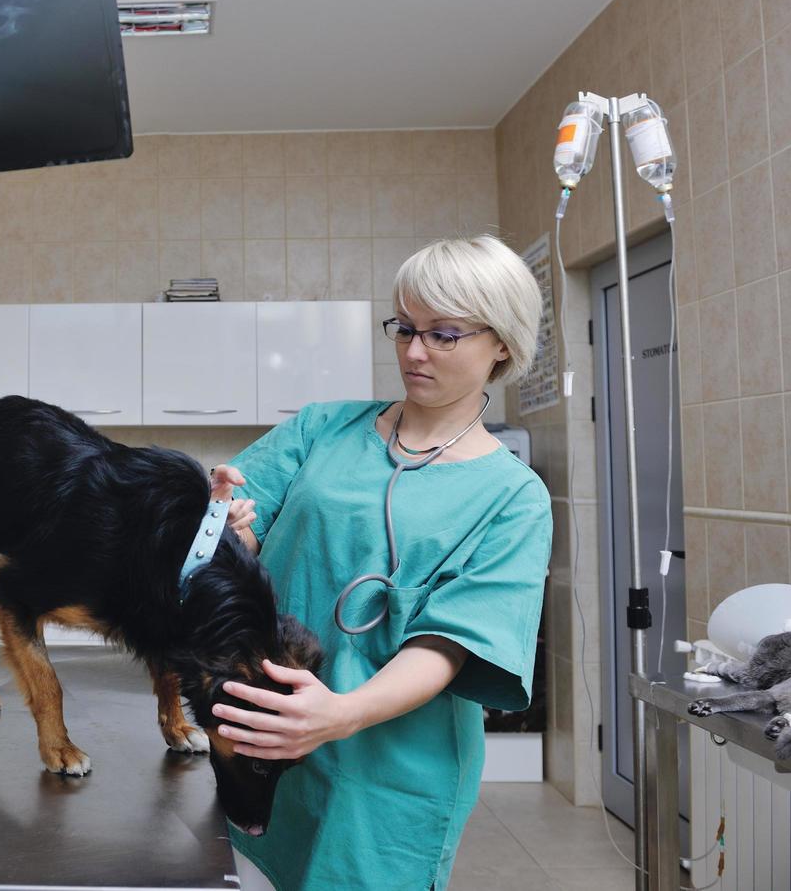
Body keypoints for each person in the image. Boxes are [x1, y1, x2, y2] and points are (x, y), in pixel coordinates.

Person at [209, 234, 553, 890]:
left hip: (393, 765)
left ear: (502, 342)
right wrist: (227, 525)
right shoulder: (321, 429)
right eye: (404, 328)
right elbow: (236, 543)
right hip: (272, 732)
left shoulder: (513, 497)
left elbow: (452, 642)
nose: (414, 352)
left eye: (444, 335)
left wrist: (339, 715)